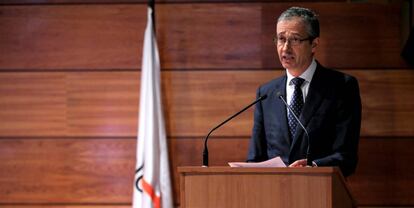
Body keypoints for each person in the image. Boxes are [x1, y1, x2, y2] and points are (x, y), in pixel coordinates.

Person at [246, 7, 361, 177]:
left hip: (320, 192)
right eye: (281, 39)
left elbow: (347, 157)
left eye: (295, 40)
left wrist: (313, 167)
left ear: (314, 44)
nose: (285, 48)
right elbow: (255, 159)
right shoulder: (266, 93)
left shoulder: (341, 87)